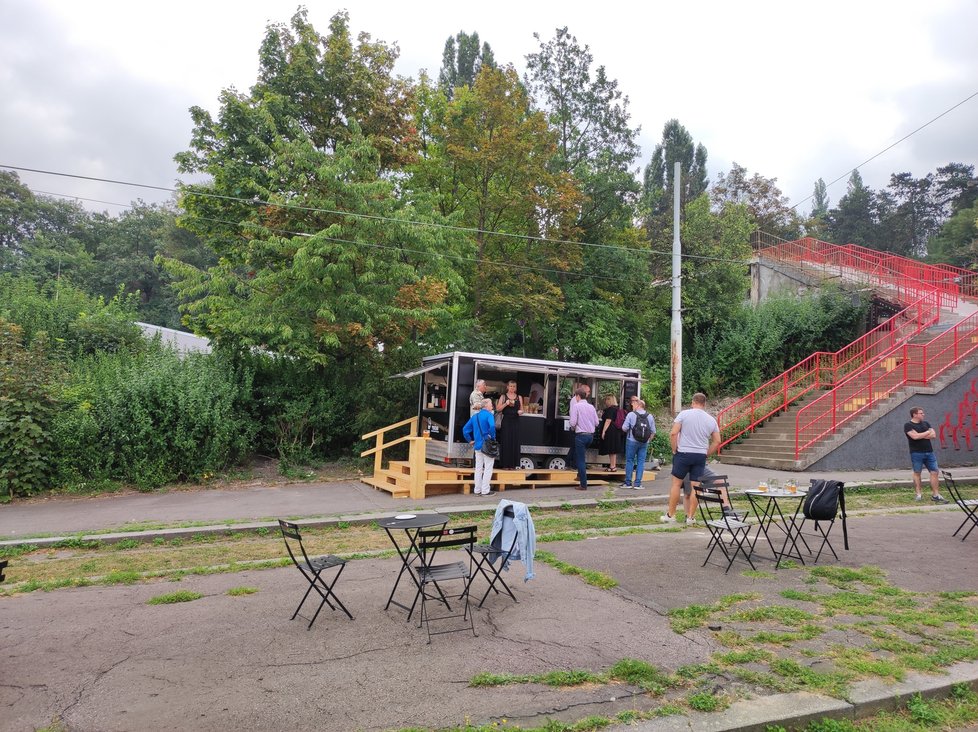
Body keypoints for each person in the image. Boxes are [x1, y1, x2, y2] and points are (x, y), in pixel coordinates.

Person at [662, 393, 720, 525]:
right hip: (700, 456)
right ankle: (691, 517)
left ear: (693, 402)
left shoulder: (684, 414)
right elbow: (717, 441)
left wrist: (674, 448)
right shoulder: (711, 419)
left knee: (676, 484)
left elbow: (673, 433)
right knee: (696, 487)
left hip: (683, 453)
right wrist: (706, 454)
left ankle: (671, 515)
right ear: (704, 404)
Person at [905, 407, 948, 503]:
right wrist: (927, 432)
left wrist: (921, 434)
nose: (923, 414)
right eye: (921, 413)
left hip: (929, 452)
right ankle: (918, 495)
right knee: (917, 473)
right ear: (914, 414)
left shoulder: (926, 423)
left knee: (934, 472)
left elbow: (933, 435)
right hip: (916, 453)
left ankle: (936, 495)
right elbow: (914, 437)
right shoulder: (908, 425)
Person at [463, 398, 497, 496]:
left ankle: (477, 490)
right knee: (488, 468)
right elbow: (492, 426)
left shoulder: (475, 416)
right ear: (486, 406)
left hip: (477, 446)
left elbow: (465, 429)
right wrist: (492, 437)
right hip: (487, 445)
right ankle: (485, 490)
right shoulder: (489, 415)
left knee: (478, 468)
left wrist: (469, 440)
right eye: (491, 404)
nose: (492, 406)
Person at [568, 386, 599, 490]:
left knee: (580, 460)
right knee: (581, 456)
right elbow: (596, 422)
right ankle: (579, 476)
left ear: (577, 396)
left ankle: (583, 484)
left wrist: (573, 427)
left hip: (580, 436)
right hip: (590, 436)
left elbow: (572, 422)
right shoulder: (591, 407)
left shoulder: (576, 406)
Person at [621, 399, 655, 489]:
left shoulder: (631, 414)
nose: (632, 407)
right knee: (641, 462)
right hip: (644, 443)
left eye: (633, 405)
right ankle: (638, 484)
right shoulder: (650, 416)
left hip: (631, 441)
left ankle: (628, 483)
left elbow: (624, 428)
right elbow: (653, 431)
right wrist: (648, 440)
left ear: (638, 405)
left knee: (630, 461)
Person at [496, 380, 524, 469]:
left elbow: (522, 409)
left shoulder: (519, 397)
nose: (512, 388)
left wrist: (521, 412)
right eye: (511, 386)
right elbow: (498, 409)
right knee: (506, 441)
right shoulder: (503, 396)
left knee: (514, 441)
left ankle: (513, 465)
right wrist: (506, 404)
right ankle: (505, 464)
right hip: (506, 421)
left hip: (515, 421)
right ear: (507, 387)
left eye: (514, 386)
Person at [599, 395, 624, 471]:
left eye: (606, 400)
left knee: (611, 449)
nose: (605, 402)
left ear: (609, 400)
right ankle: (612, 465)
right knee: (613, 449)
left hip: (611, 431)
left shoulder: (610, 409)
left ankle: (612, 466)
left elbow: (608, 420)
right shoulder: (617, 409)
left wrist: (603, 431)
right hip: (616, 431)